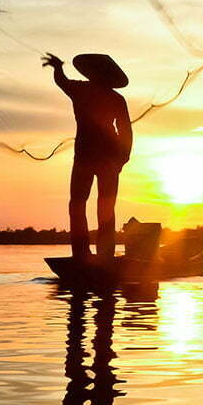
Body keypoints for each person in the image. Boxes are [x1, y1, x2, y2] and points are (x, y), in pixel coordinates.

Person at [44, 52, 134, 264]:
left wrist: (121, 160)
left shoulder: (88, 92)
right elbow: (126, 132)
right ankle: (92, 255)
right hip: (92, 158)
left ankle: (94, 255)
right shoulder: (99, 94)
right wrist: (121, 159)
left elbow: (125, 131)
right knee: (87, 205)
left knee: (88, 206)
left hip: (98, 159)